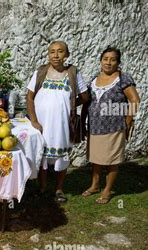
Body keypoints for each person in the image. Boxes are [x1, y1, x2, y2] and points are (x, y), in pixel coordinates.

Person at [26, 41, 89, 202]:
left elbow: (85, 96)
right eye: (52, 51)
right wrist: (33, 120)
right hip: (41, 123)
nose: (56, 55)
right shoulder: (40, 72)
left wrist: (71, 105)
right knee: (42, 155)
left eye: (60, 51)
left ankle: (59, 189)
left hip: (61, 125)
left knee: (62, 155)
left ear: (66, 55)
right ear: (48, 54)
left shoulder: (73, 73)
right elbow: (30, 97)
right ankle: (42, 188)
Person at [81, 47, 140, 204]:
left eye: (113, 59)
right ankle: (94, 186)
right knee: (96, 159)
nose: (108, 62)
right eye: (105, 59)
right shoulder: (94, 79)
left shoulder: (123, 79)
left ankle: (107, 191)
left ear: (118, 63)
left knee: (112, 160)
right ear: (100, 61)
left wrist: (128, 121)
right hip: (95, 126)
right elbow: (87, 101)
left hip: (114, 126)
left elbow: (135, 100)